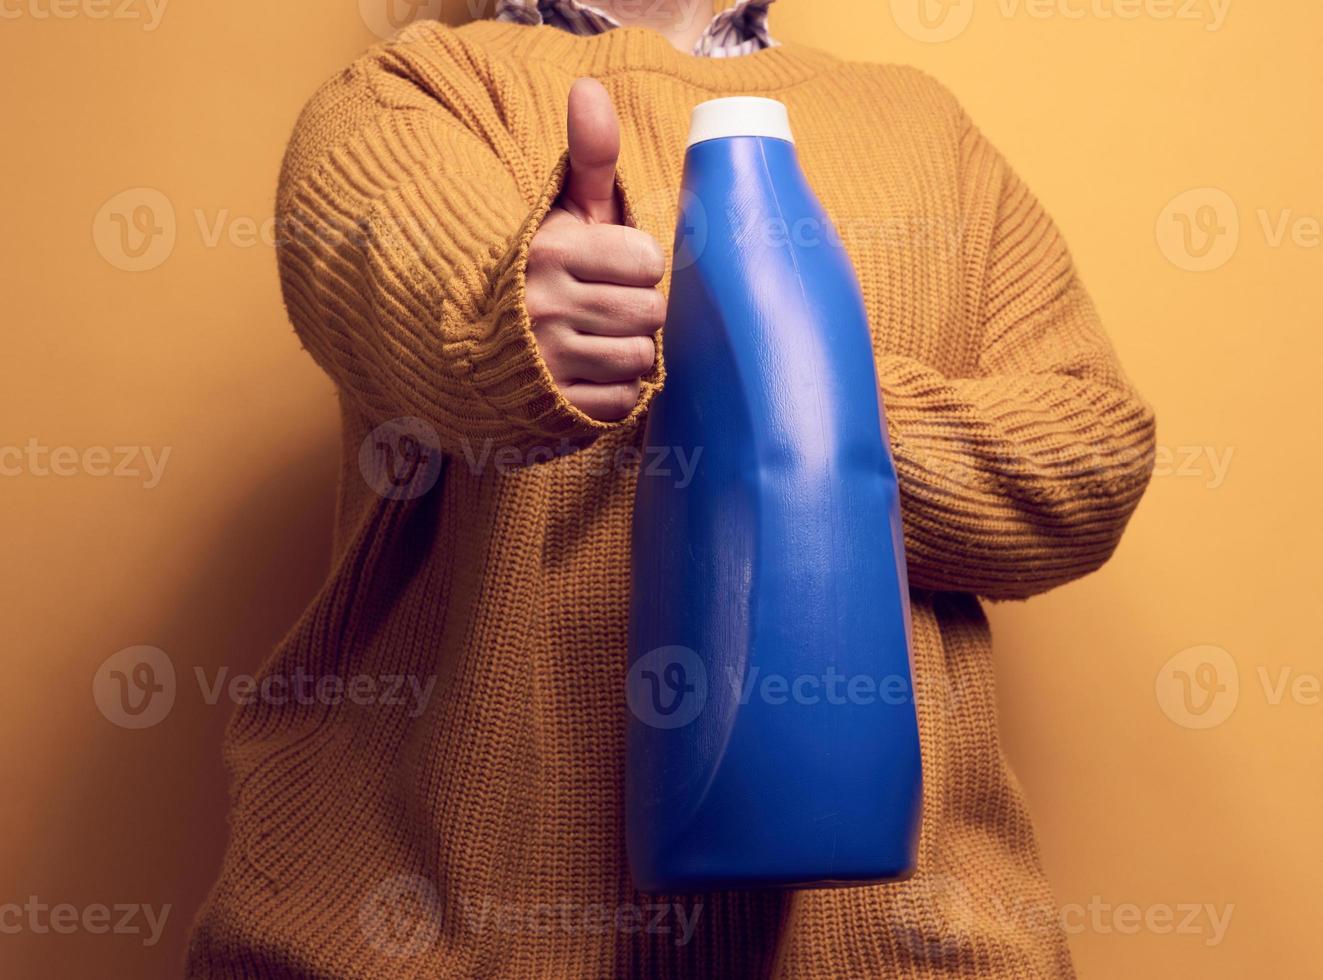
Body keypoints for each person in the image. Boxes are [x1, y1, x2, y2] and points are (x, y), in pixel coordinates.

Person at [186, 1, 1156, 976]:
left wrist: (792, 412)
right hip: (456, 943)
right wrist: (510, 327)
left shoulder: (924, 126)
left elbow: (1095, 450)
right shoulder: (416, 92)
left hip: (903, 951)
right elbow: (394, 285)